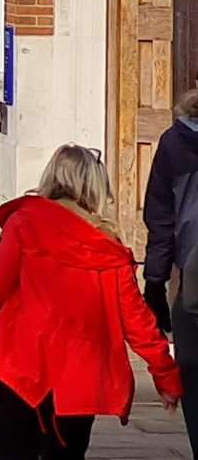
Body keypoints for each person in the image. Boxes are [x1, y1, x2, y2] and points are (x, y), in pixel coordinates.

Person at [0, 144, 182, 458]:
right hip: (78, 380)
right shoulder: (109, 248)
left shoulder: (25, 222)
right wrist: (165, 376)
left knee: (12, 451)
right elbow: (138, 322)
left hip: (16, 366)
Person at [144, 87, 198, 454]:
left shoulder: (174, 143)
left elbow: (161, 219)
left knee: (194, 373)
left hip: (193, 277)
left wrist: (154, 280)